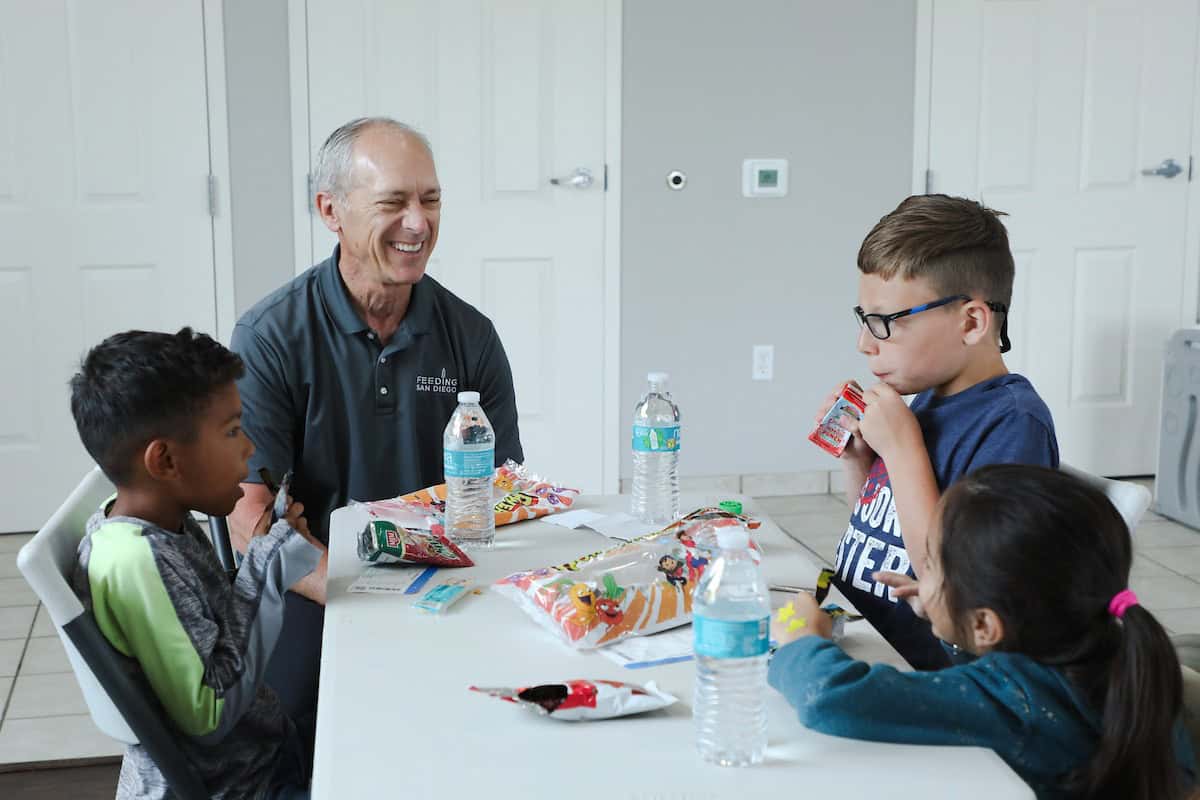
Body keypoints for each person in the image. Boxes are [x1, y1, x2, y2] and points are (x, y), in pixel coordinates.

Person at [227, 117, 523, 737]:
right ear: (330, 210)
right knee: (294, 732)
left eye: (431, 200)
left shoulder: (470, 336)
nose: (418, 223)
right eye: (394, 202)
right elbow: (249, 520)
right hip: (315, 583)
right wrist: (356, 595)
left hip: (444, 576)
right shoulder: (271, 337)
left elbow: (504, 493)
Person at [770, 464, 1196, 800]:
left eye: (931, 564)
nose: (921, 573)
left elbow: (830, 698)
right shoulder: (1125, 651)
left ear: (986, 625)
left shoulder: (1008, 701)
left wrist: (801, 636)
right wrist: (952, 615)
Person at [69, 328, 322, 799]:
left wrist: (269, 556)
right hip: (244, 786)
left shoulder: (160, 521)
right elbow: (209, 713)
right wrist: (267, 570)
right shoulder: (137, 560)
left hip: (263, 761)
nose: (248, 448)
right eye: (231, 431)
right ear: (164, 461)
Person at [820, 194, 1058, 669]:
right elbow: (886, 532)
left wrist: (904, 450)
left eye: (885, 322)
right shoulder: (927, 398)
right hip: (870, 644)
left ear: (971, 322)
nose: (864, 343)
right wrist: (861, 461)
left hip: (932, 674)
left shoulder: (1014, 425)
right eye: (864, 319)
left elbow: (956, 585)